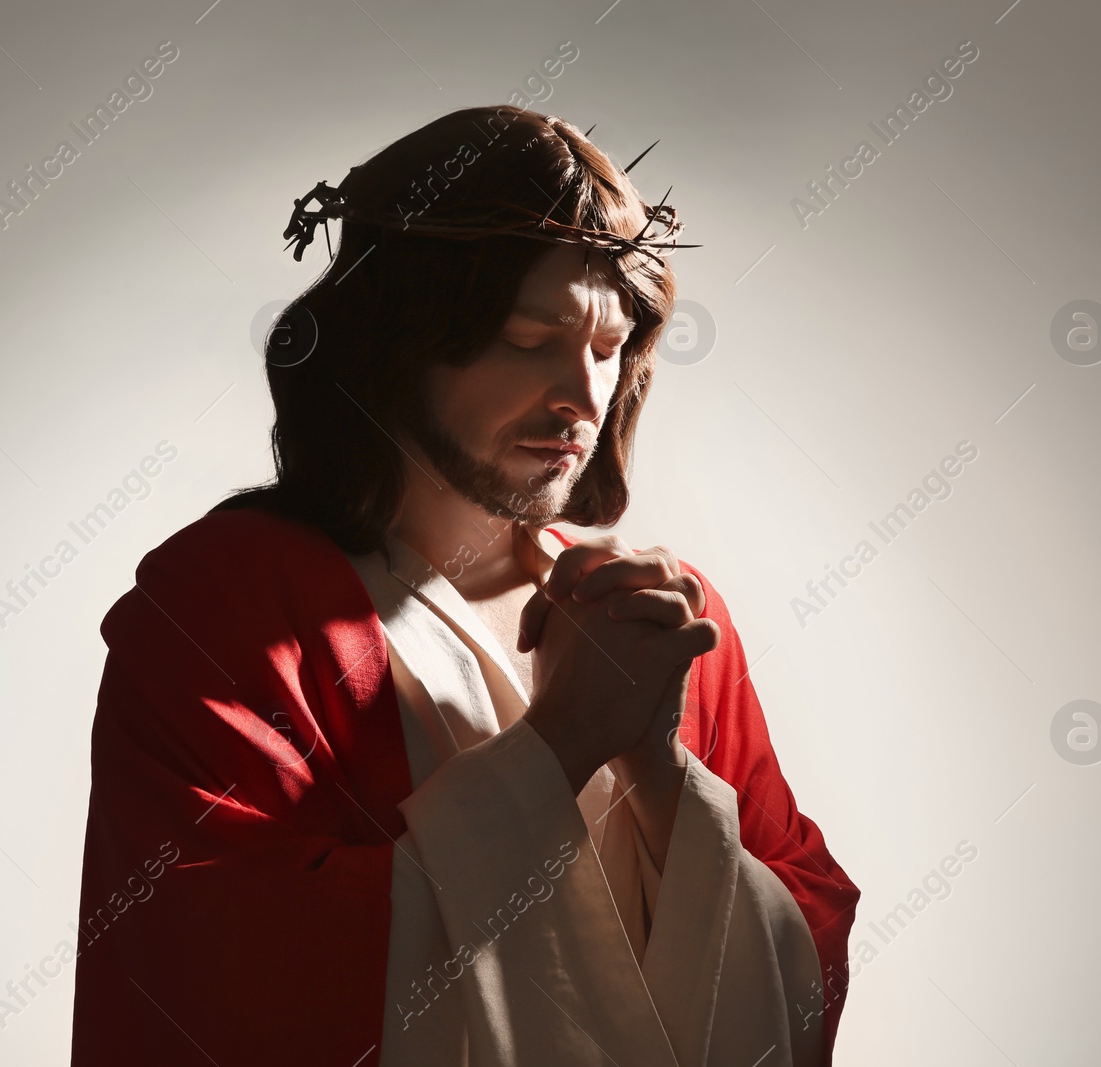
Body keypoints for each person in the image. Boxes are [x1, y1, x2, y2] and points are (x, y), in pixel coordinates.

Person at [70, 104, 860, 1066]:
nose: (578, 395)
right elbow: (217, 970)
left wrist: (660, 775)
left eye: (608, 351)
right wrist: (564, 740)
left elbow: (809, 931)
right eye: (529, 341)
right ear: (395, 342)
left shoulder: (668, 618)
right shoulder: (226, 605)